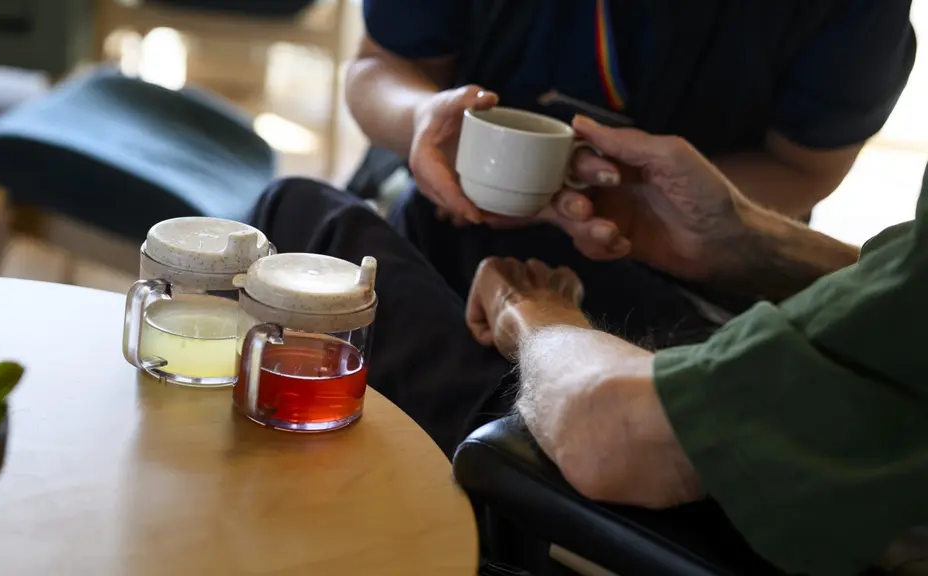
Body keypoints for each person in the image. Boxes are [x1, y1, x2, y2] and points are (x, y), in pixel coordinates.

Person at [246, 115, 927, 576]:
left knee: (303, 216)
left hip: (735, 517)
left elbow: (609, 431)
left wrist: (529, 314)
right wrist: (740, 240)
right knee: (450, 221)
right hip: (845, 411)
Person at [346, 0, 916, 317]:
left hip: (693, 257)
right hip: (444, 205)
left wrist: (652, 206)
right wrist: (422, 118)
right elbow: (379, 68)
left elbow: (806, 167)